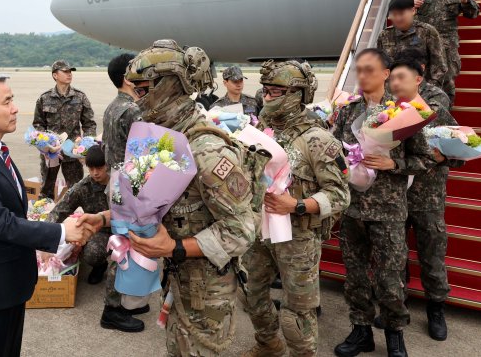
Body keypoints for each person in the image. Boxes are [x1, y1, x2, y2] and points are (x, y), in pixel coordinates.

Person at [120, 39, 262, 356]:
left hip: (206, 291)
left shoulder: (206, 150)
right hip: (177, 279)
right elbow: (144, 202)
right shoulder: (161, 138)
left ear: (169, 86)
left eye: (142, 90)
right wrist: (106, 219)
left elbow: (242, 229)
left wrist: (175, 247)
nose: (135, 98)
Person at [0, 73, 93, 357]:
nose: (15, 108)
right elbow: (1, 223)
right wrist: (61, 232)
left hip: (9, 282)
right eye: (8, 101)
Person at [240, 60, 350, 357]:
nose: (267, 97)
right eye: (266, 90)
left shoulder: (318, 140)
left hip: (299, 239)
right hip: (260, 232)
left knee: (297, 311)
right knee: (252, 294)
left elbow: (340, 195)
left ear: (297, 94)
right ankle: (269, 344)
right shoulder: (260, 131)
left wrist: (298, 205)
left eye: (276, 91)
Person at [332, 49, 433, 357]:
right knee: (356, 275)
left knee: (390, 279)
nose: (362, 76)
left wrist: (394, 166)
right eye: (359, 70)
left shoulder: (404, 110)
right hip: (354, 207)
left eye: (369, 70)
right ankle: (361, 330)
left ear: (386, 73)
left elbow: (425, 159)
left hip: (388, 210)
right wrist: (344, 161)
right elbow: (333, 148)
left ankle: (394, 333)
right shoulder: (348, 111)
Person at [387, 53, 462, 342]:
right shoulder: (387, 111)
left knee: (432, 254)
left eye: (399, 77)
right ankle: (397, 303)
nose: (394, 82)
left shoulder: (435, 110)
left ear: (418, 79)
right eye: (391, 78)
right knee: (395, 255)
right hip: (394, 196)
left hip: (428, 197)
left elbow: (460, 149)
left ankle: (436, 308)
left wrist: (446, 157)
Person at [48, 145, 146, 332]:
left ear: (107, 165)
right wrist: (42, 237)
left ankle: (127, 301)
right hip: (101, 232)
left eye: (99, 168)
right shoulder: (83, 188)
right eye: (91, 169)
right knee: (93, 254)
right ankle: (101, 270)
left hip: (125, 231)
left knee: (132, 258)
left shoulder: (122, 182)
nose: (95, 173)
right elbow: (60, 210)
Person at [412, 0, 480, 103]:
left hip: (446, 44)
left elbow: (474, 13)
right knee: (420, 80)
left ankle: (444, 116)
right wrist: (412, 4)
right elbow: (404, 10)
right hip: (422, 43)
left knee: (446, 81)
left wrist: (466, 1)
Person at [33, 60, 97, 199]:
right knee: (46, 189)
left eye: (70, 71)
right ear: (55, 75)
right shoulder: (45, 98)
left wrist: (85, 144)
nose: (69, 74)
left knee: (77, 190)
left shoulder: (80, 97)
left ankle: (76, 219)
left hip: (72, 152)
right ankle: (44, 217)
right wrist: (45, 144)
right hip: (51, 153)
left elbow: (89, 124)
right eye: (65, 71)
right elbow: (38, 125)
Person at [377, 0, 447, 90]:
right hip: (393, 90)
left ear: (413, 11)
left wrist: (428, 90)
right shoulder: (384, 35)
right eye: (394, 14)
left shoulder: (427, 32)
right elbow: (381, 66)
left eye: (401, 14)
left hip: (420, 89)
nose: (398, 18)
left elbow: (439, 66)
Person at [103, 52, 141, 170]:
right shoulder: (133, 110)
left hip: (114, 179)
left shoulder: (111, 107)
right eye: (138, 71)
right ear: (127, 79)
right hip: (130, 180)